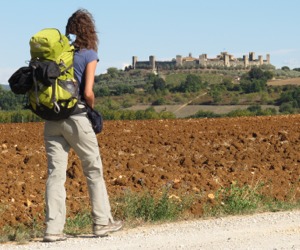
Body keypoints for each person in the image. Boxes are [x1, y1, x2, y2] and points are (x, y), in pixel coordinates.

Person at [43, 9, 122, 242]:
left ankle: (53, 230)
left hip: (51, 120)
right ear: (89, 30)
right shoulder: (89, 54)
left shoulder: (57, 55)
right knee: (93, 169)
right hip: (76, 117)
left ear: (69, 30)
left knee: (55, 175)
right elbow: (88, 92)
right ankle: (101, 222)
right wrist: (92, 108)